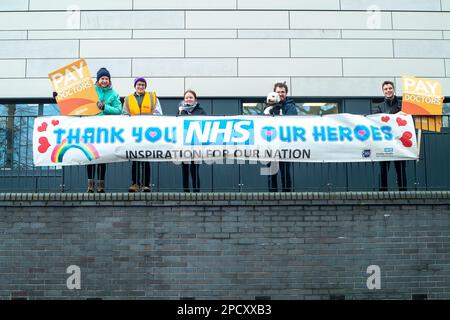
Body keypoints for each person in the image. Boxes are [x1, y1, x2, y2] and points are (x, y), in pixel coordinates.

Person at [123, 77, 163, 192]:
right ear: (135, 86)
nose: (140, 86)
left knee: (146, 158)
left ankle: (146, 185)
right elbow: (124, 115)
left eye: (142, 85)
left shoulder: (152, 97)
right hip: (134, 133)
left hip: (148, 133)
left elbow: (158, 113)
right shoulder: (128, 99)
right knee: (135, 159)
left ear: (145, 86)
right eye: (138, 84)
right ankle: (135, 184)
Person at [86, 67, 122, 193]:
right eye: (102, 78)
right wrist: (58, 97)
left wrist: (105, 107)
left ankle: (101, 185)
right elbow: (75, 102)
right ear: (98, 80)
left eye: (107, 78)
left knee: (102, 157)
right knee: (90, 156)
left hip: (105, 131)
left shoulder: (114, 94)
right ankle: (90, 185)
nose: (104, 81)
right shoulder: (90, 90)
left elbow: (118, 110)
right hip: (91, 129)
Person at [372, 80, 407, 191]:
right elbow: (378, 121)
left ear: (394, 89)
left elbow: (409, 119)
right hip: (384, 143)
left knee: (401, 170)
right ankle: (382, 195)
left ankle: (404, 194)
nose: (388, 91)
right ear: (383, 91)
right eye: (386, 89)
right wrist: (397, 115)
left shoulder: (402, 104)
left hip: (399, 142)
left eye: (390, 88)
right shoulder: (379, 106)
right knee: (383, 170)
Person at [264, 82, 298, 192]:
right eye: (278, 92)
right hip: (271, 144)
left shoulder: (290, 106)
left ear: (286, 93)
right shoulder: (268, 107)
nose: (280, 94)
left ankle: (287, 196)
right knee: (271, 173)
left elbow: (290, 122)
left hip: (285, 144)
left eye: (282, 92)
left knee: (285, 172)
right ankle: (272, 196)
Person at [177, 90, 206, 192]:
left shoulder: (201, 111)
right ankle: (186, 191)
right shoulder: (181, 111)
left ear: (195, 99)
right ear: (184, 99)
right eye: (187, 98)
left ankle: (196, 191)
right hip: (184, 144)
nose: (188, 99)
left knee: (194, 169)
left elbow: (205, 126)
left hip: (196, 144)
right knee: (185, 169)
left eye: (191, 97)